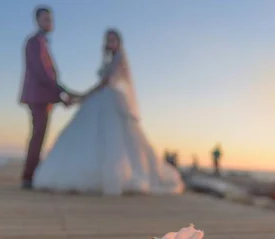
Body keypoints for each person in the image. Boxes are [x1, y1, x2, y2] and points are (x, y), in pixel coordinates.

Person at [33, 29, 184, 195]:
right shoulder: (111, 59)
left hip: (111, 99)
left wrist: (81, 97)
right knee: (92, 136)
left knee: (116, 138)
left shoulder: (119, 59)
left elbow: (105, 83)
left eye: (113, 40)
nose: (110, 43)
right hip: (102, 98)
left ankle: (120, 176)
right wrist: (80, 97)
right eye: (108, 40)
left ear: (119, 42)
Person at [19, 6, 76, 190]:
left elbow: (46, 74)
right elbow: (42, 73)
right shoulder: (34, 42)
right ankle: (28, 177)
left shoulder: (42, 42)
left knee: (39, 135)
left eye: (50, 19)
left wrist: (60, 94)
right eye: (46, 19)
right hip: (38, 97)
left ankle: (31, 174)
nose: (50, 23)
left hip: (43, 97)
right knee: (38, 135)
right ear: (37, 21)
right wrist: (61, 91)